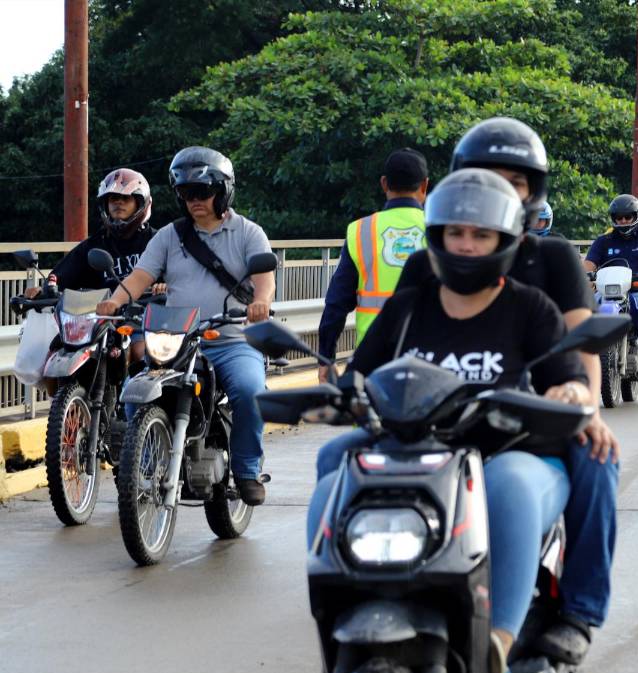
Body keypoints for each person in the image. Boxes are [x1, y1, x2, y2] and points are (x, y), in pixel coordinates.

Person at [307, 169, 592, 673]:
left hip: (509, 451)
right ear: (435, 237)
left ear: (504, 242)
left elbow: (571, 378)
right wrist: (335, 395)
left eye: (480, 235)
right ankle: (339, 628)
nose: (466, 245)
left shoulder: (530, 307)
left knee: (505, 484)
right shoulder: (410, 304)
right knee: (332, 465)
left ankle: (499, 645)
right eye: (455, 233)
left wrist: (571, 395)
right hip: (418, 449)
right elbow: (360, 376)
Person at [348, 117, 617, 665]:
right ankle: (354, 579)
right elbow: (396, 342)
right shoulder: (428, 262)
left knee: (595, 455)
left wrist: (583, 404)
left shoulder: (553, 259)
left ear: (532, 192)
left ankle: (579, 611)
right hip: (434, 420)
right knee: (346, 456)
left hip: (528, 413)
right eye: (481, 176)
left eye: (512, 182)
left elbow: (579, 342)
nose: (493, 192)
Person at [97, 146, 276, 506]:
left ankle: (245, 469)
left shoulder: (248, 233)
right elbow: (141, 276)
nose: (194, 200)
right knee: (136, 392)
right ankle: (144, 470)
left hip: (231, 340)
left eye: (202, 192)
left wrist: (262, 303)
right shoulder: (168, 236)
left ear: (222, 191)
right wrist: (114, 301)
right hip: (178, 340)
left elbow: (264, 278)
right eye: (186, 194)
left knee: (250, 392)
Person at [27, 168, 162, 372]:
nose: (118, 203)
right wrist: (44, 289)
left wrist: (165, 285)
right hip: (97, 322)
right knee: (52, 359)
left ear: (140, 203)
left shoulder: (157, 241)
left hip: (143, 319)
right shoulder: (94, 245)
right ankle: (64, 402)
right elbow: (62, 275)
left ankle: (138, 404)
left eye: (125, 198)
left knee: (139, 351)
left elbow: (178, 275)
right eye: (113, 199)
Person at [317, 149, 428, 381]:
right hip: (429, 353)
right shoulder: (442, 230)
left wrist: (326, 359)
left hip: (373, 358)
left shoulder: (361, 231)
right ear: (425, 186)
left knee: (368, 416)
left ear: (384, 183)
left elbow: (336, 304)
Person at [585, 194, 638, 381]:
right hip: (608, 292)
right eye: (619, 218)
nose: (623, 221)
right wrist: (585, 278)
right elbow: (588, 266)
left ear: (636, 216)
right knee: (586, 317)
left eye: (627, 217)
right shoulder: (603, 241)